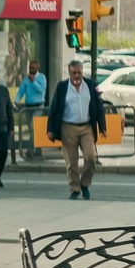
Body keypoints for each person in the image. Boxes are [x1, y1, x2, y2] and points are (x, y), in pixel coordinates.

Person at [46, 59, 107, 200]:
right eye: (74, 73)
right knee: (72, 163)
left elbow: (99, 107)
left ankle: (85, 183)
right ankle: (75, 188)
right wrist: (50, 129)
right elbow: (54, 109)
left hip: (86, 127)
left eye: (79, 72)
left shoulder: (91, 86)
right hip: (68, 128)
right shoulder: (62, 87)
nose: (77, 75)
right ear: (69, 73)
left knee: (91, 157)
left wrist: (102, 127)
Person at [16, 59, 48, 158]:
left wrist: (33, 81)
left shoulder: (42, 77)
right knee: (32, 129)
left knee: (33, 127)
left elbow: (42, 90)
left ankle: (30, 150)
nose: (31, 70)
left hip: (38, 106)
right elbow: (21, 91)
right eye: (30, 68)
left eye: (33, 68)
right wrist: (16, 101)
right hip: (28, 107)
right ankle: (38, 149)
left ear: (38, 68)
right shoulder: (26, 79)